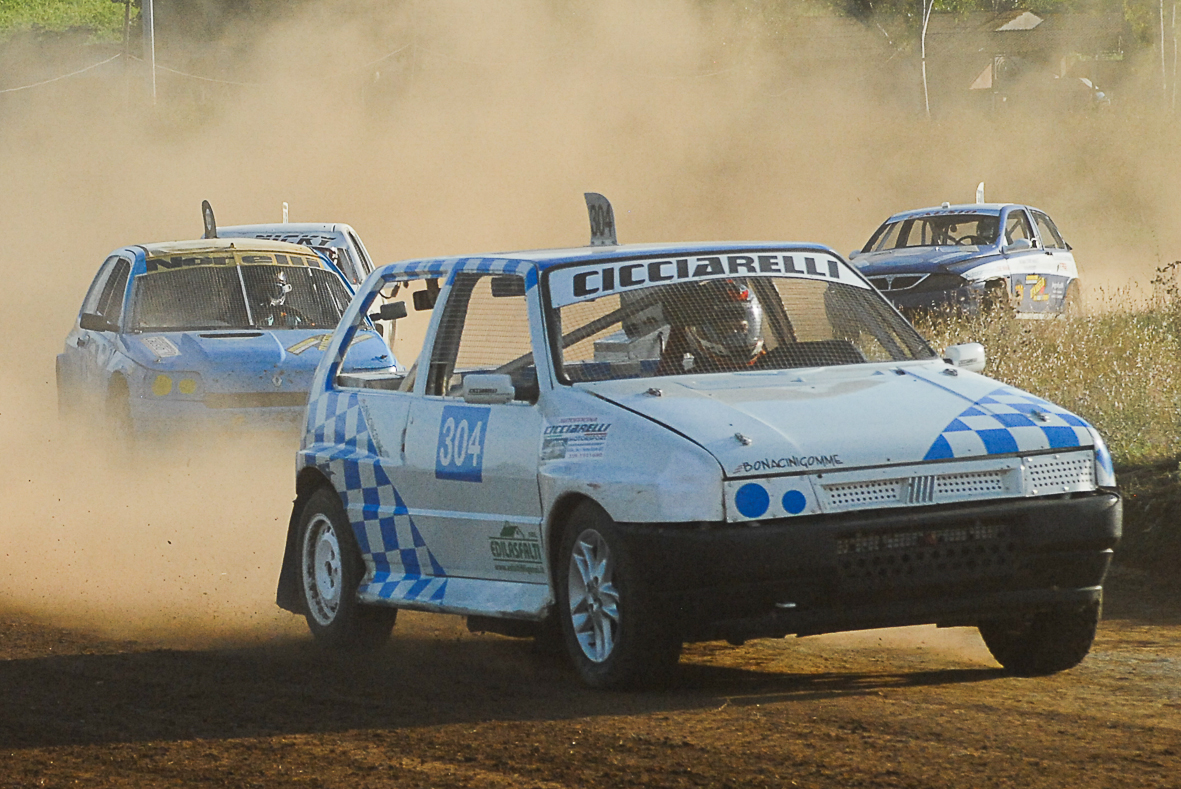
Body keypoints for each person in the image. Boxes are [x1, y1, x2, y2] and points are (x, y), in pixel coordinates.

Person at [656, 278, 767, 374]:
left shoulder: (776, 367)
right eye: (725, 318)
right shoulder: (674, 383)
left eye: (742, 319)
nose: (741, 326)